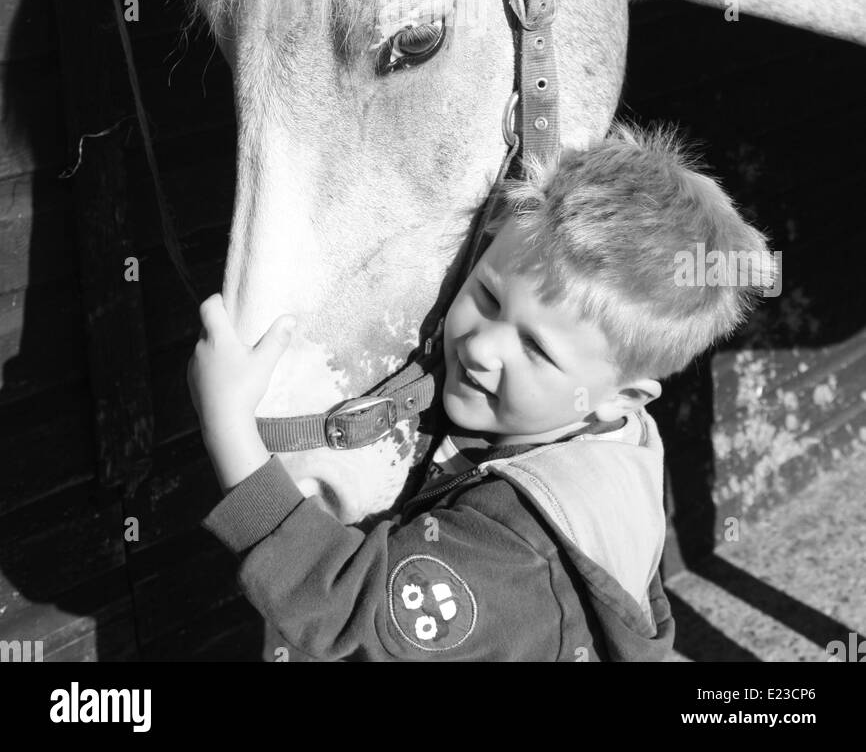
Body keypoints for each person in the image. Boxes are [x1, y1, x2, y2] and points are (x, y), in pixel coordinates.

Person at [191, 123, 775, 662]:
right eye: (490, 298)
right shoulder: (619, 441)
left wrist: (230, 427)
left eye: (536, 350)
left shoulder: (514, 543)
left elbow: (349, 614)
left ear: (623, 396)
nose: (480, 347)